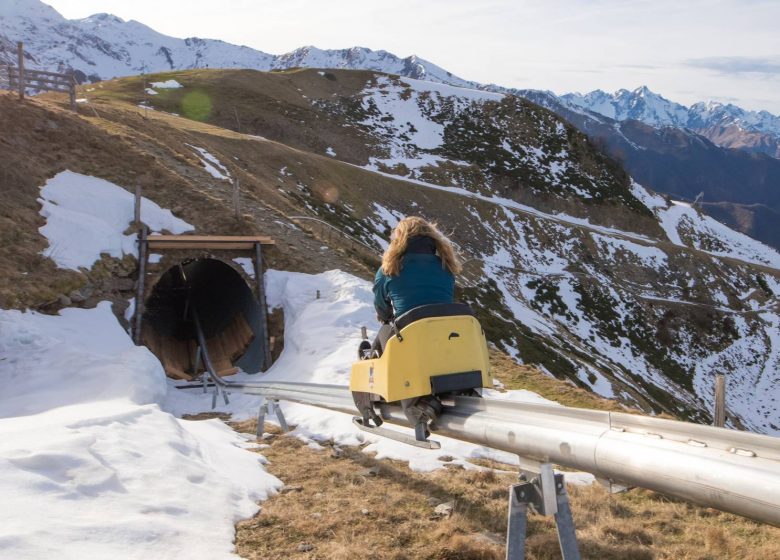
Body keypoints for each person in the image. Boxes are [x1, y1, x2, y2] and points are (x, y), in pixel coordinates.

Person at [360, 216, 462, 358]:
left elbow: (381, 306)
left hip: (408, 341)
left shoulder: (389, 268)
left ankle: (369, 359)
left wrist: (387, 315)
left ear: (399, 240)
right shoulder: (447, 267)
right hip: (443, 337)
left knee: (384, 331)